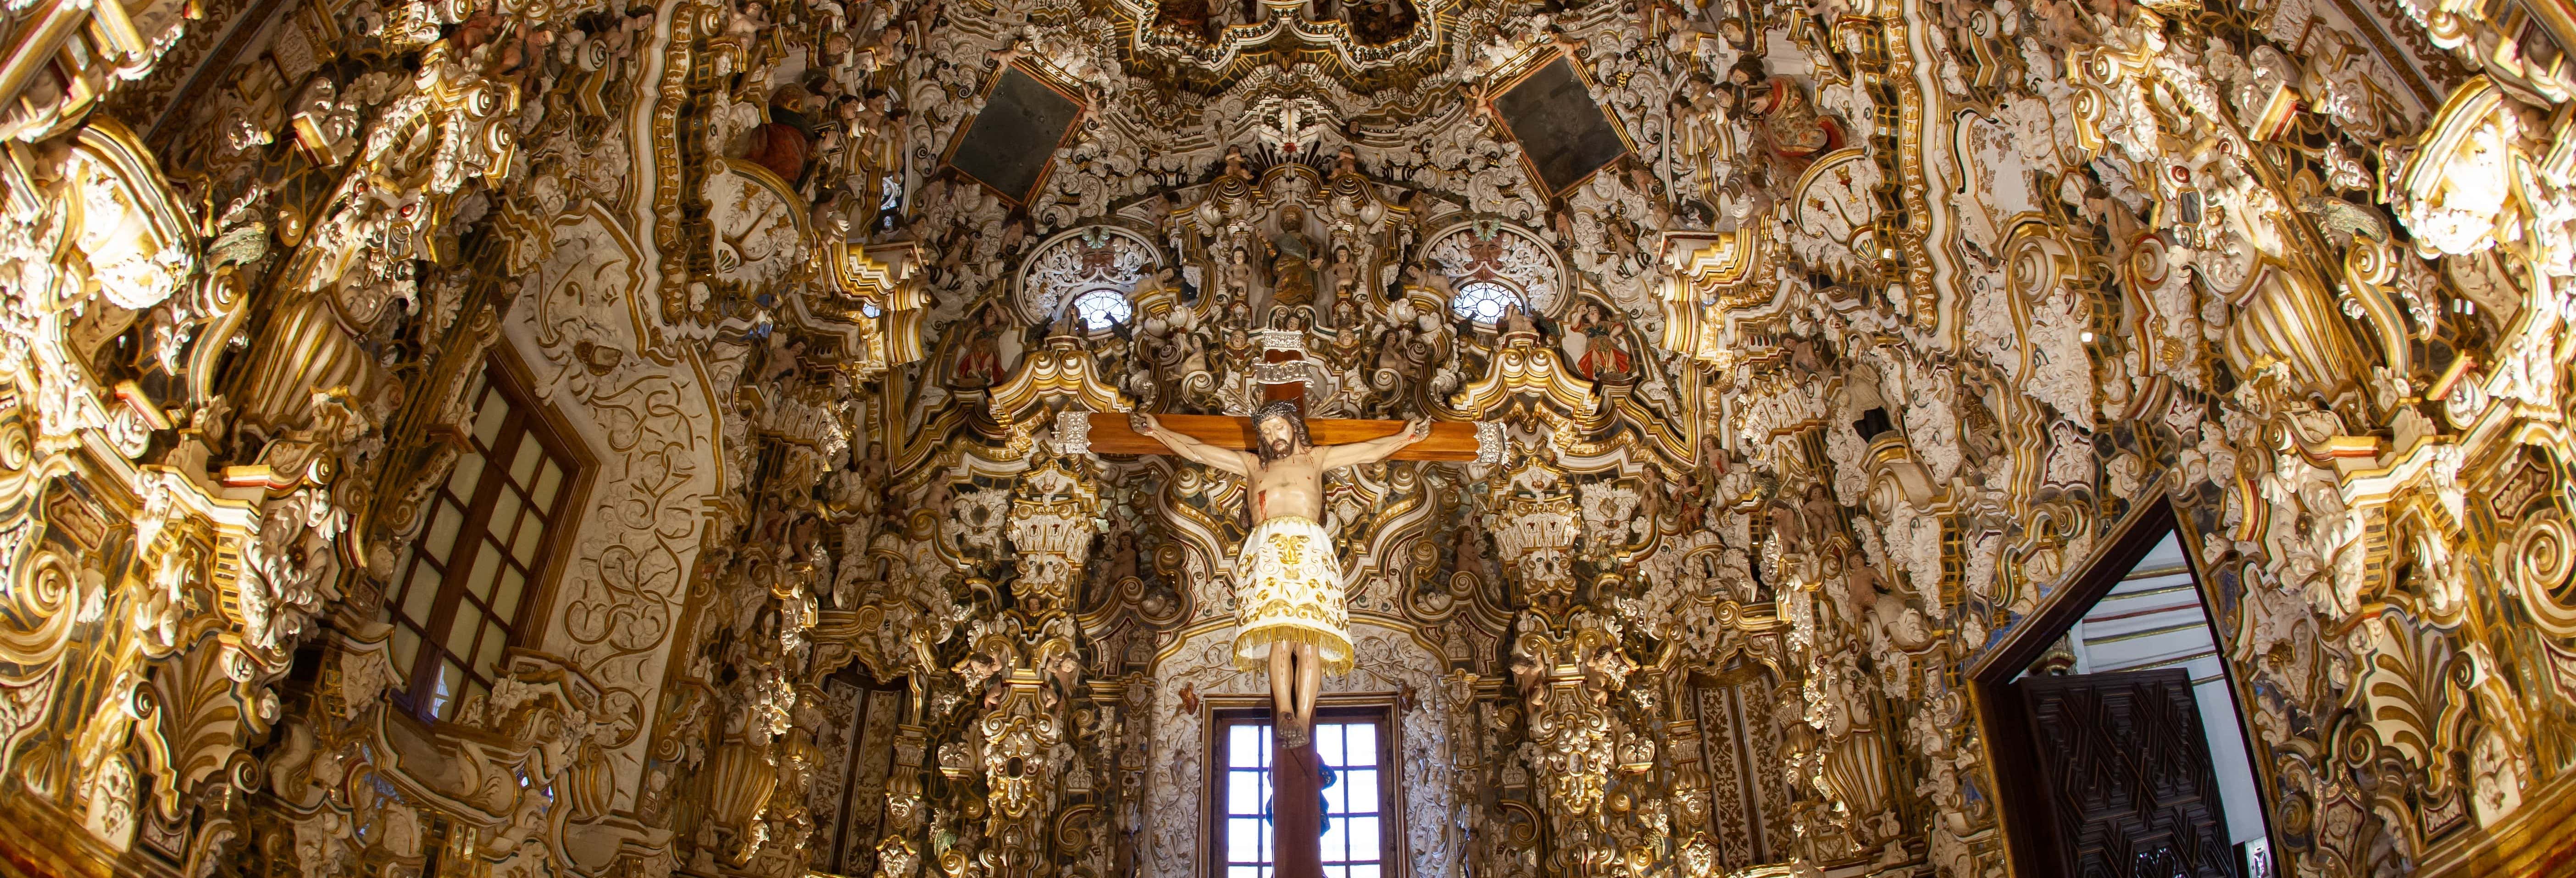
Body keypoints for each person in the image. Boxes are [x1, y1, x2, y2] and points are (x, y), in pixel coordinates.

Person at [1135, 403, 1430, 745]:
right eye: (1266, 432)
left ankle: (1303, 722)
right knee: (1280, 637)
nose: (1274, 437)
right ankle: (1286, 712)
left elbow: (1368, 450)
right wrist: (1157, 431)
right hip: (1268, 551)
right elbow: (1199, 451)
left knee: (1310, 641)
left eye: (1279, 428)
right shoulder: (1253, 465)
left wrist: (1407, 436)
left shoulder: (1316, 459)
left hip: (1311, 550)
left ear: (1294, 426)